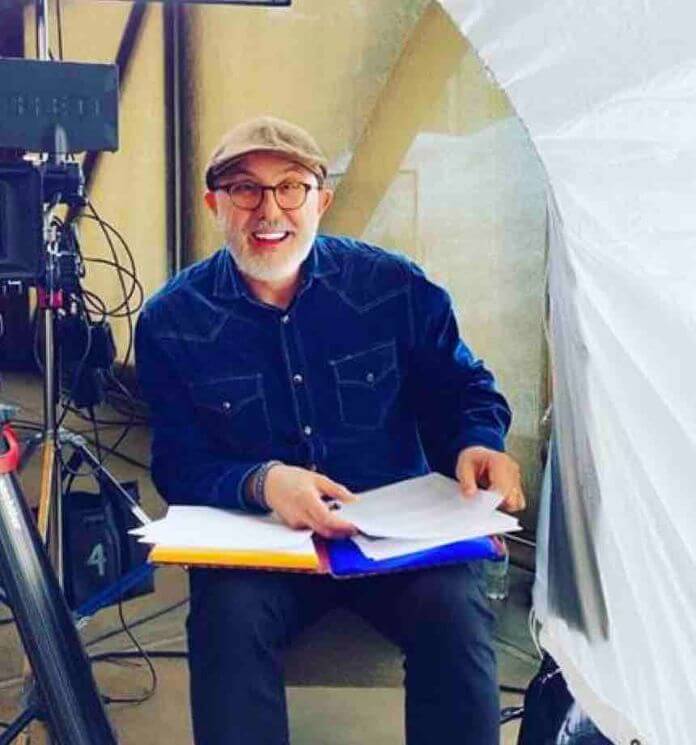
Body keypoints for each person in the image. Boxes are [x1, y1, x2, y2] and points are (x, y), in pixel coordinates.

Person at [135, 115, 526, 745]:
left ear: (322, 200)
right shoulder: (171, 320)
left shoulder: (394, 287)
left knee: (454, 608)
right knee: (226, 616)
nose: (270, 210)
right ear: (214, 204)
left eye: (291, 187)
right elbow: (178, 463)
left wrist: (480, 442)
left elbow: (463, 389)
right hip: (264, 546)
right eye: (245, 188)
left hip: (395, 539)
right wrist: (264, 483)